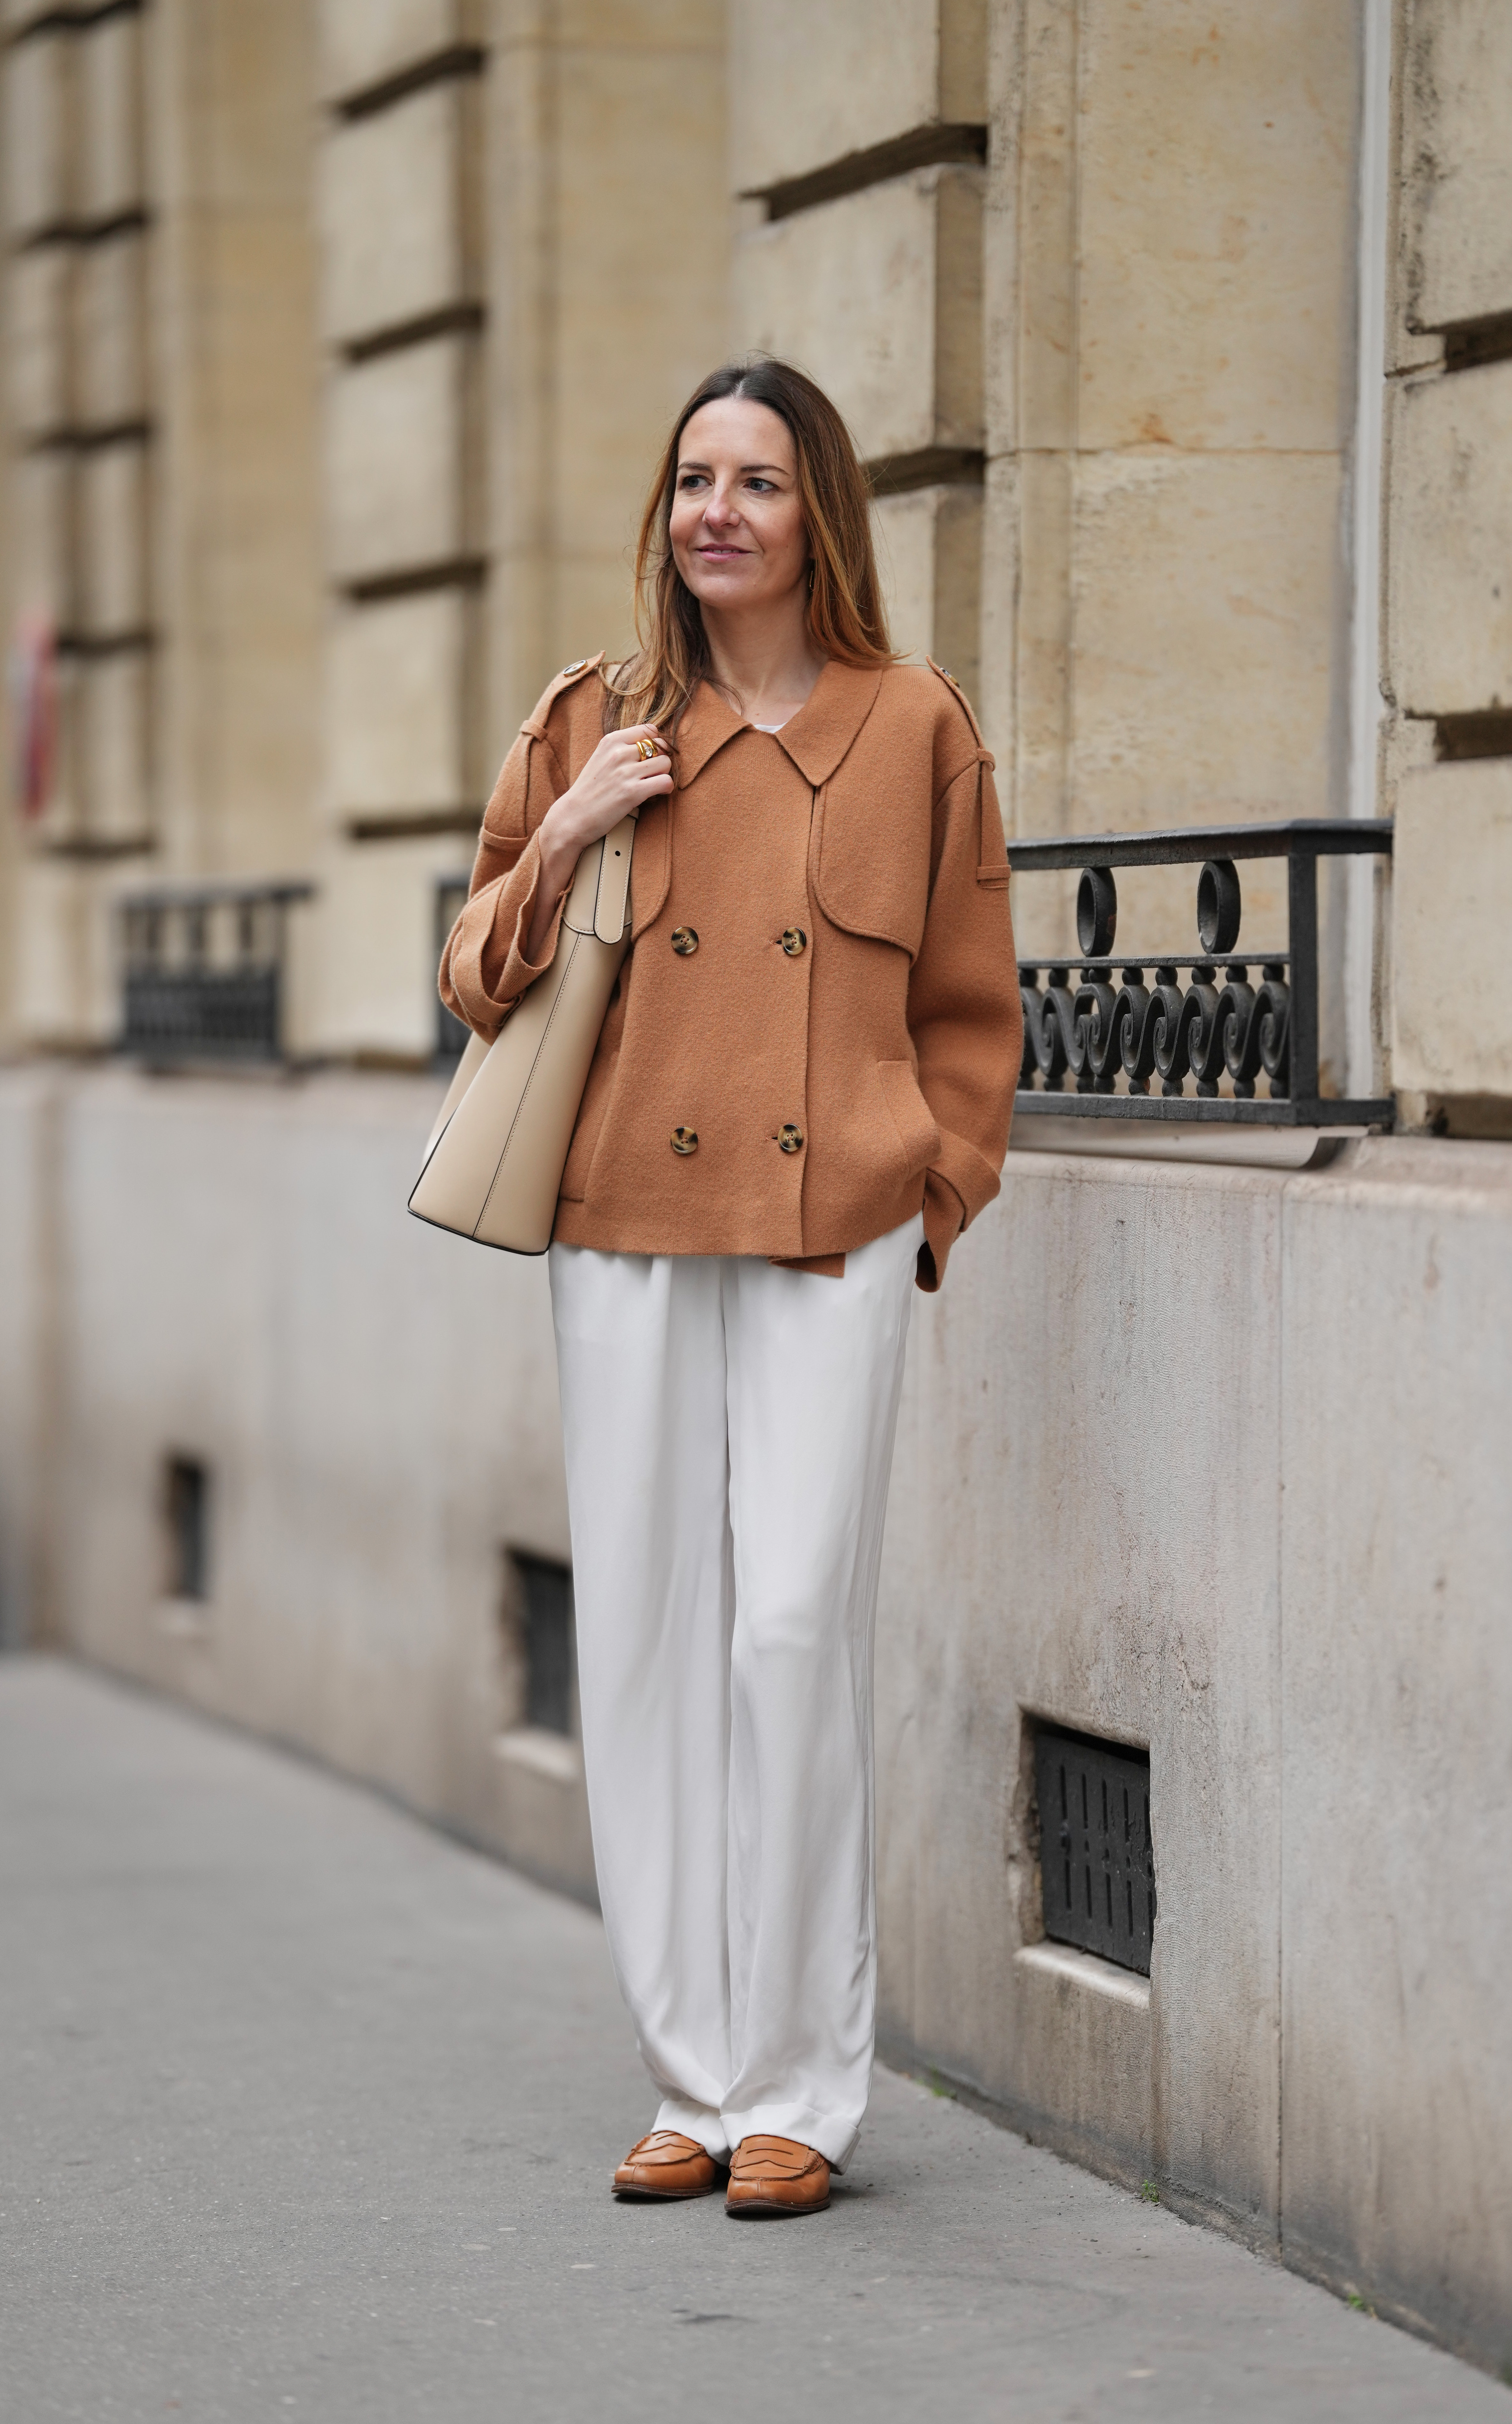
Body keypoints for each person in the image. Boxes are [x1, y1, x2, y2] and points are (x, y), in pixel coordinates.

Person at [441, 357, 1023, 2216]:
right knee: (646, 1644)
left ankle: (802, 2089)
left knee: (790, 1636)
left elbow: (970, 1009)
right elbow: (471, 977)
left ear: (817, 513)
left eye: (757, 482)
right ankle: (694, 2083)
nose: (717, 512)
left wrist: (931, 1190)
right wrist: (561, 835)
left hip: (831, 1223)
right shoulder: (591, 718)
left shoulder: (914, 725)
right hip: (620, 1223)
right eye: (693, 478)